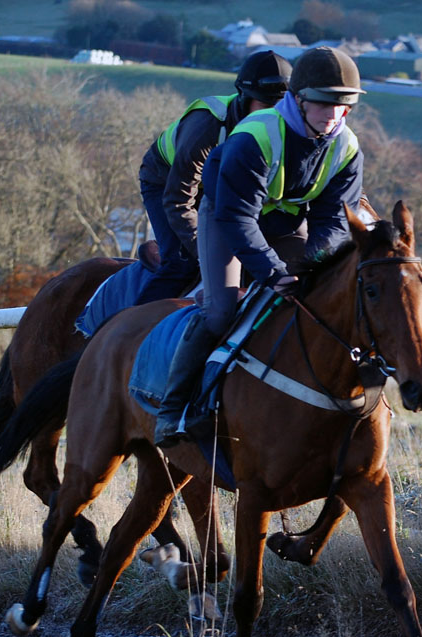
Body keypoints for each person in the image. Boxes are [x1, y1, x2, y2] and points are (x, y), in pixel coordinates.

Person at [154, 46, 366, 447]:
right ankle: (173, 408)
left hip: (284, 222)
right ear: (298, 99)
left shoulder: (347, 148)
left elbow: (334, 222)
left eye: (343, 105)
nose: (333, 114)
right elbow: (237, 218)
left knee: (311, 299)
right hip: (226, 216)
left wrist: (311, 266)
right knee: (220, 311)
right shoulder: (255, 135)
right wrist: (273, 272)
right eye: (323, 103)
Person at [133, 51, 293, 305]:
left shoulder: (286, 129)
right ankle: (134, 323)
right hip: (166, 183)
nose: (272, 117)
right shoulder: (207, 126)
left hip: (219, 191)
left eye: (281, 109)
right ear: (245, 98)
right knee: (183, 263)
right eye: (265, 106)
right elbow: (178, 200)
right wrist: (204, 250)